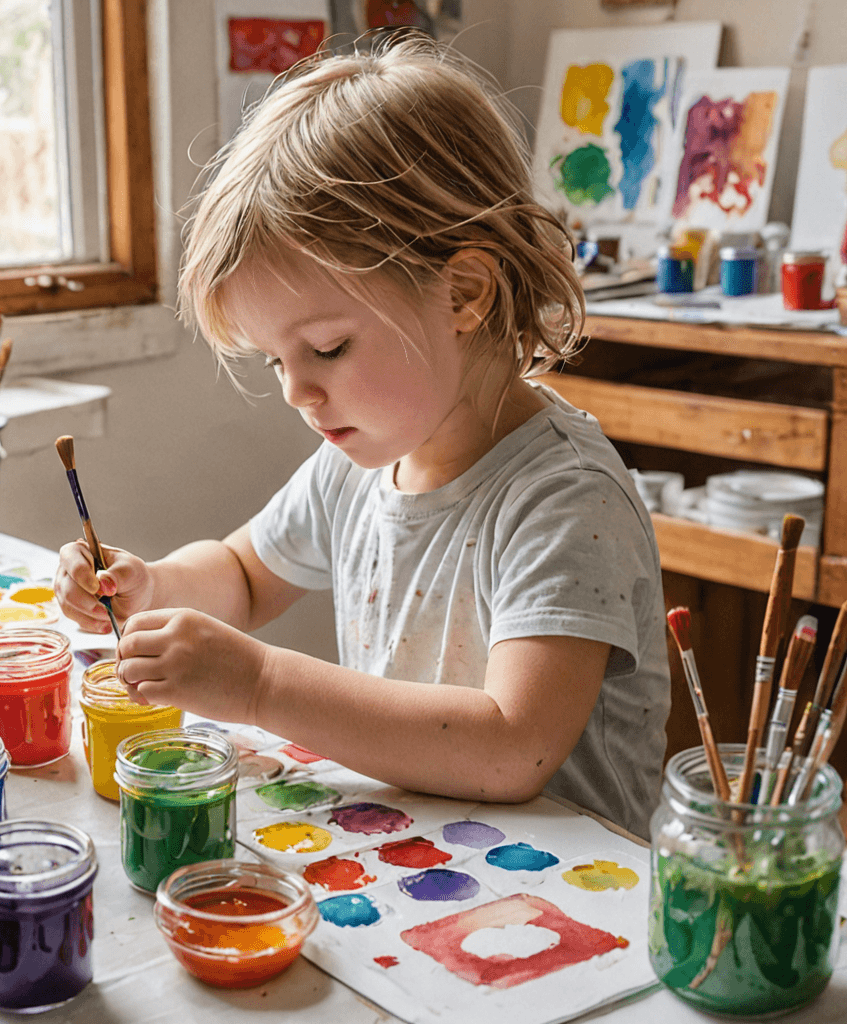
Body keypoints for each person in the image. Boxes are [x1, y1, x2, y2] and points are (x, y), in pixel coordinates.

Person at [54, 32, 670, 840]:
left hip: (583, 909)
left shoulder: (562, 499)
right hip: (431, 866)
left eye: (329, 347)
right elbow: (243, 573)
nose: (296, 390)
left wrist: (260, 683)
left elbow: (513, 749)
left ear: (465, 294)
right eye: (276, 358)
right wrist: (151, 587)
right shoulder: (362, 462)